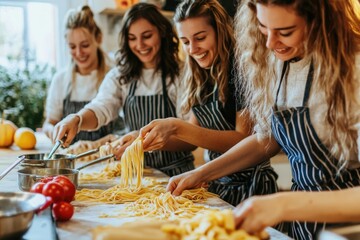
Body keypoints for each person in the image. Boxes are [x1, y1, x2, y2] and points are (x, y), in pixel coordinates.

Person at [163, 0, 360, 239]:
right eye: (263, 28)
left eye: (285, 32)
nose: (269, 43)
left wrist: (283, 204)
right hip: (303, 225)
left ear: (320, 22)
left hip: (348, 227)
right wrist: (201, 174)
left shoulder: (353, 72)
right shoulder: (278, 64)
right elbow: (265, 140)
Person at [140, 0, 279, 207]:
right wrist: (145, 138)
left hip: (251, 187)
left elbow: (243, 137)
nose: (193, 49)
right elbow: (192, 138)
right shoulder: (202, 74)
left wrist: (177, 126)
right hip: (217, 183)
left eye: (200, 38)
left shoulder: (240, 69)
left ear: (219, 31)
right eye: (186, 42)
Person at [52, 3, 195, 177]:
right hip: (137, 175)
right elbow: (102, 106)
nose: (140, 44)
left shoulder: (183, 74)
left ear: (162, 33)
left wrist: (142, 141)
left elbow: (190, 139)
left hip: (178, 174)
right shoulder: (120, 76)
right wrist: (77, 119)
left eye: (147, 36)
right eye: (132, 38)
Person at [43, 6, 115, 143]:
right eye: (72, 46)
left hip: (107, 159)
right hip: (71, 159)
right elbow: (49, 123)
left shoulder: (113, 77)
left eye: (85, 45)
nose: (78, 52)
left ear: (98, 39)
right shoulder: (60, 80)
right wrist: (53, 131)